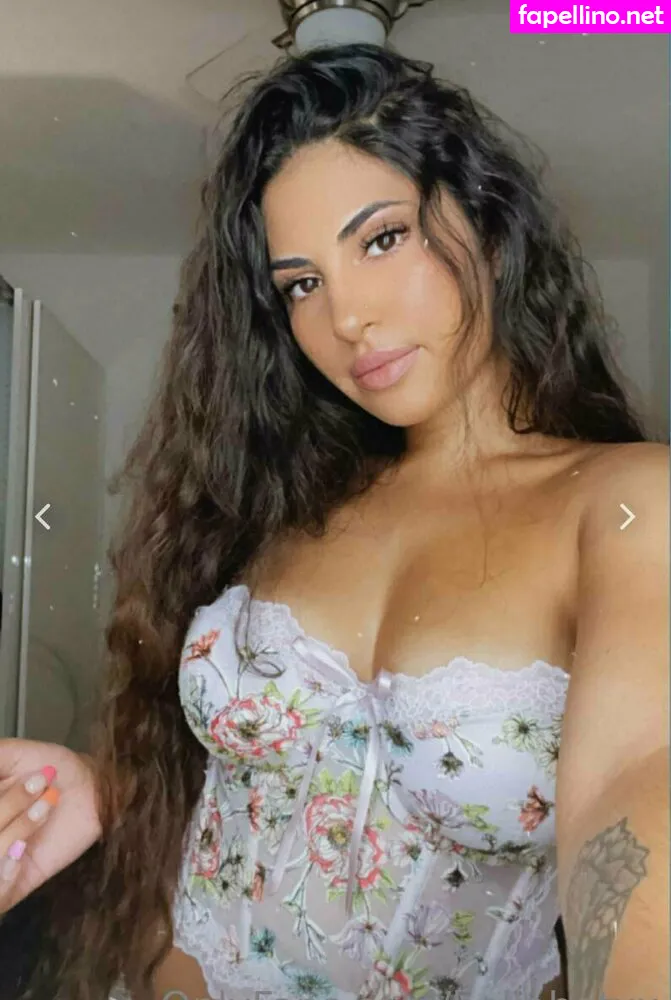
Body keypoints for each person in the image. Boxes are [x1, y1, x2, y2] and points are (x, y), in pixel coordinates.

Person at [0, 42, 668, 1000]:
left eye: (381, 239)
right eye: (301, 284)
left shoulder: (625, 506)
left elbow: (635, 807)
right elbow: (265, 770)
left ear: (486, 224)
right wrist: (108, 789)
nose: (344, 316)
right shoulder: (283, 504)